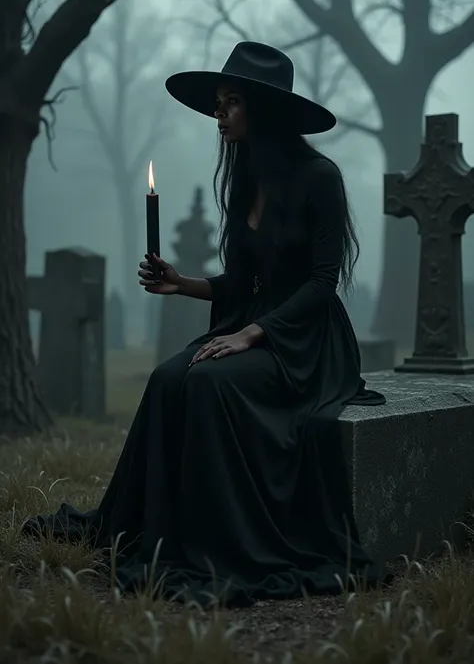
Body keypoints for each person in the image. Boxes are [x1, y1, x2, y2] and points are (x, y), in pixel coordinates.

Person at [24, 41, 387, 607]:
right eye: (218, 103)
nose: (219, 114)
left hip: (306, 342)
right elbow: (242, 282)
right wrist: (182, 283)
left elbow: (321, 282)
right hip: (256, 326)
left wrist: (249, 334)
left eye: (231, 102)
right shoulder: (244, 179)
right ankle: (155, 530)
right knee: (170, 378)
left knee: (212, 383)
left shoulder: (320, 177)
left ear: (263, 109)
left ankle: (218, 544)